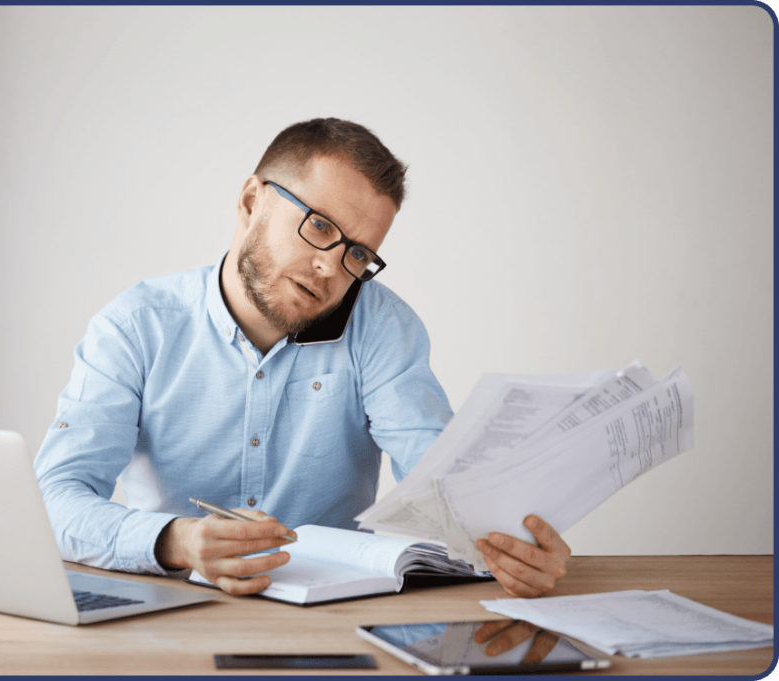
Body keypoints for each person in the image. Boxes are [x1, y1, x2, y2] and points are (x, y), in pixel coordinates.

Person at [33, 118, 571, 598]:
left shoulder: (382, 327)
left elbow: (439, 481)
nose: (329, 269)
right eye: (319, 226)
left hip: (333, 618)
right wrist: (179, 541)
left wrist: (511, 543)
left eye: (357, 253)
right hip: (172, 606)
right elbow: (54, 499)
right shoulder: (135, 326)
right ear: (251, 202)